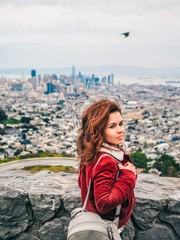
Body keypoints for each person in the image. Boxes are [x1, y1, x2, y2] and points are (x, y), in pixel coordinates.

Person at [77, 99, 137, 235]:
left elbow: (83, 184)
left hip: (92, 220)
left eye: (121, 124)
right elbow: (104, 204)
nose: (120, 130)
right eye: (112, 126)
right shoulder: (107, 161)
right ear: (99, 130)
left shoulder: (91, 152)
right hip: (107, 226)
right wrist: (128, 176)